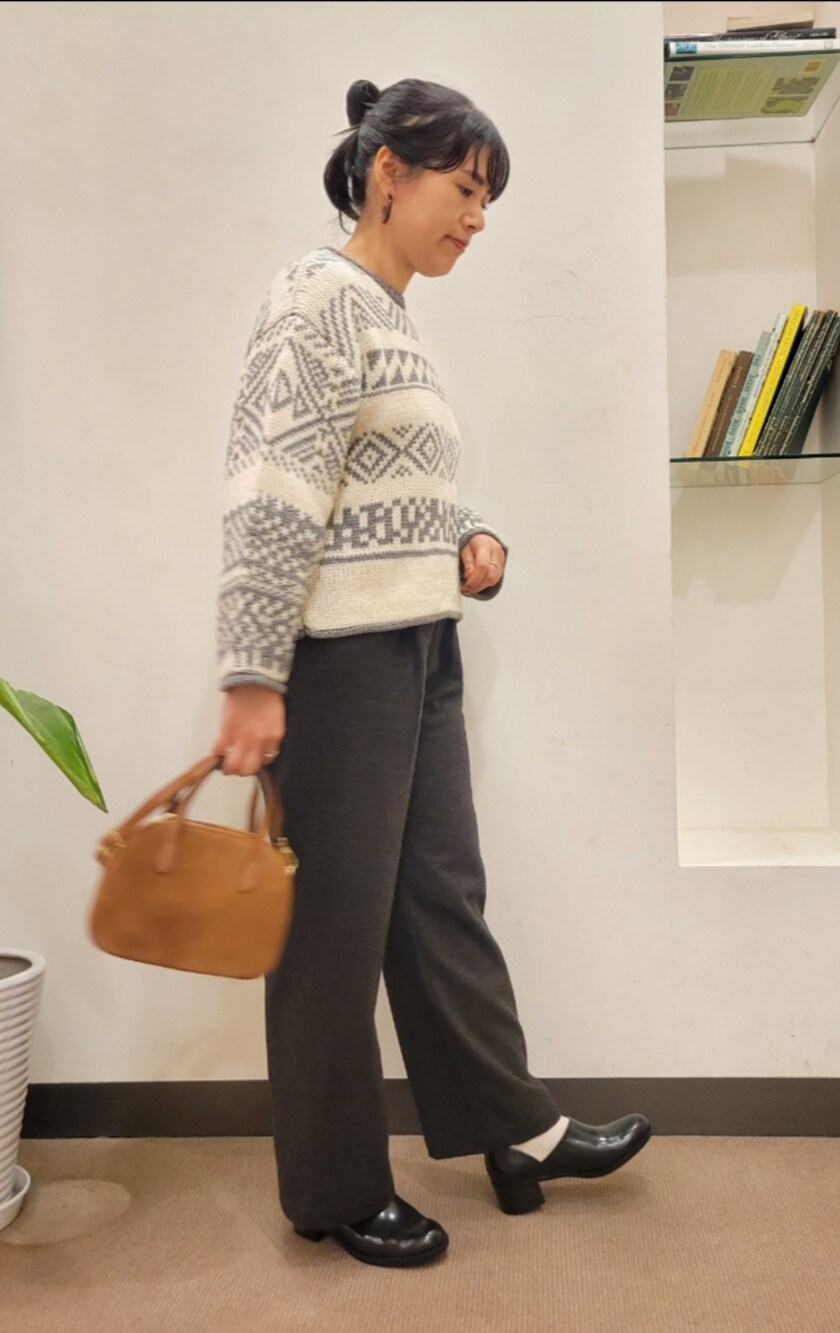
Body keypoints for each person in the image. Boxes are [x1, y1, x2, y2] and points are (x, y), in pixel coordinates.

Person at [211, 76, 651, 1269]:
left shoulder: (391, 313)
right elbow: (272, 490)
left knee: (441, 899)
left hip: (418, 644)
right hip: (339, 662)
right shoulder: (315, 300)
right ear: (388, 172)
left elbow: (379, 478)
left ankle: (517, 1129)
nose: (478, 216)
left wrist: (469, 533)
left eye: (488, 196)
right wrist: (251, 670)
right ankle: (335, 1190)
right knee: (330, 935)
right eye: (465, 187)